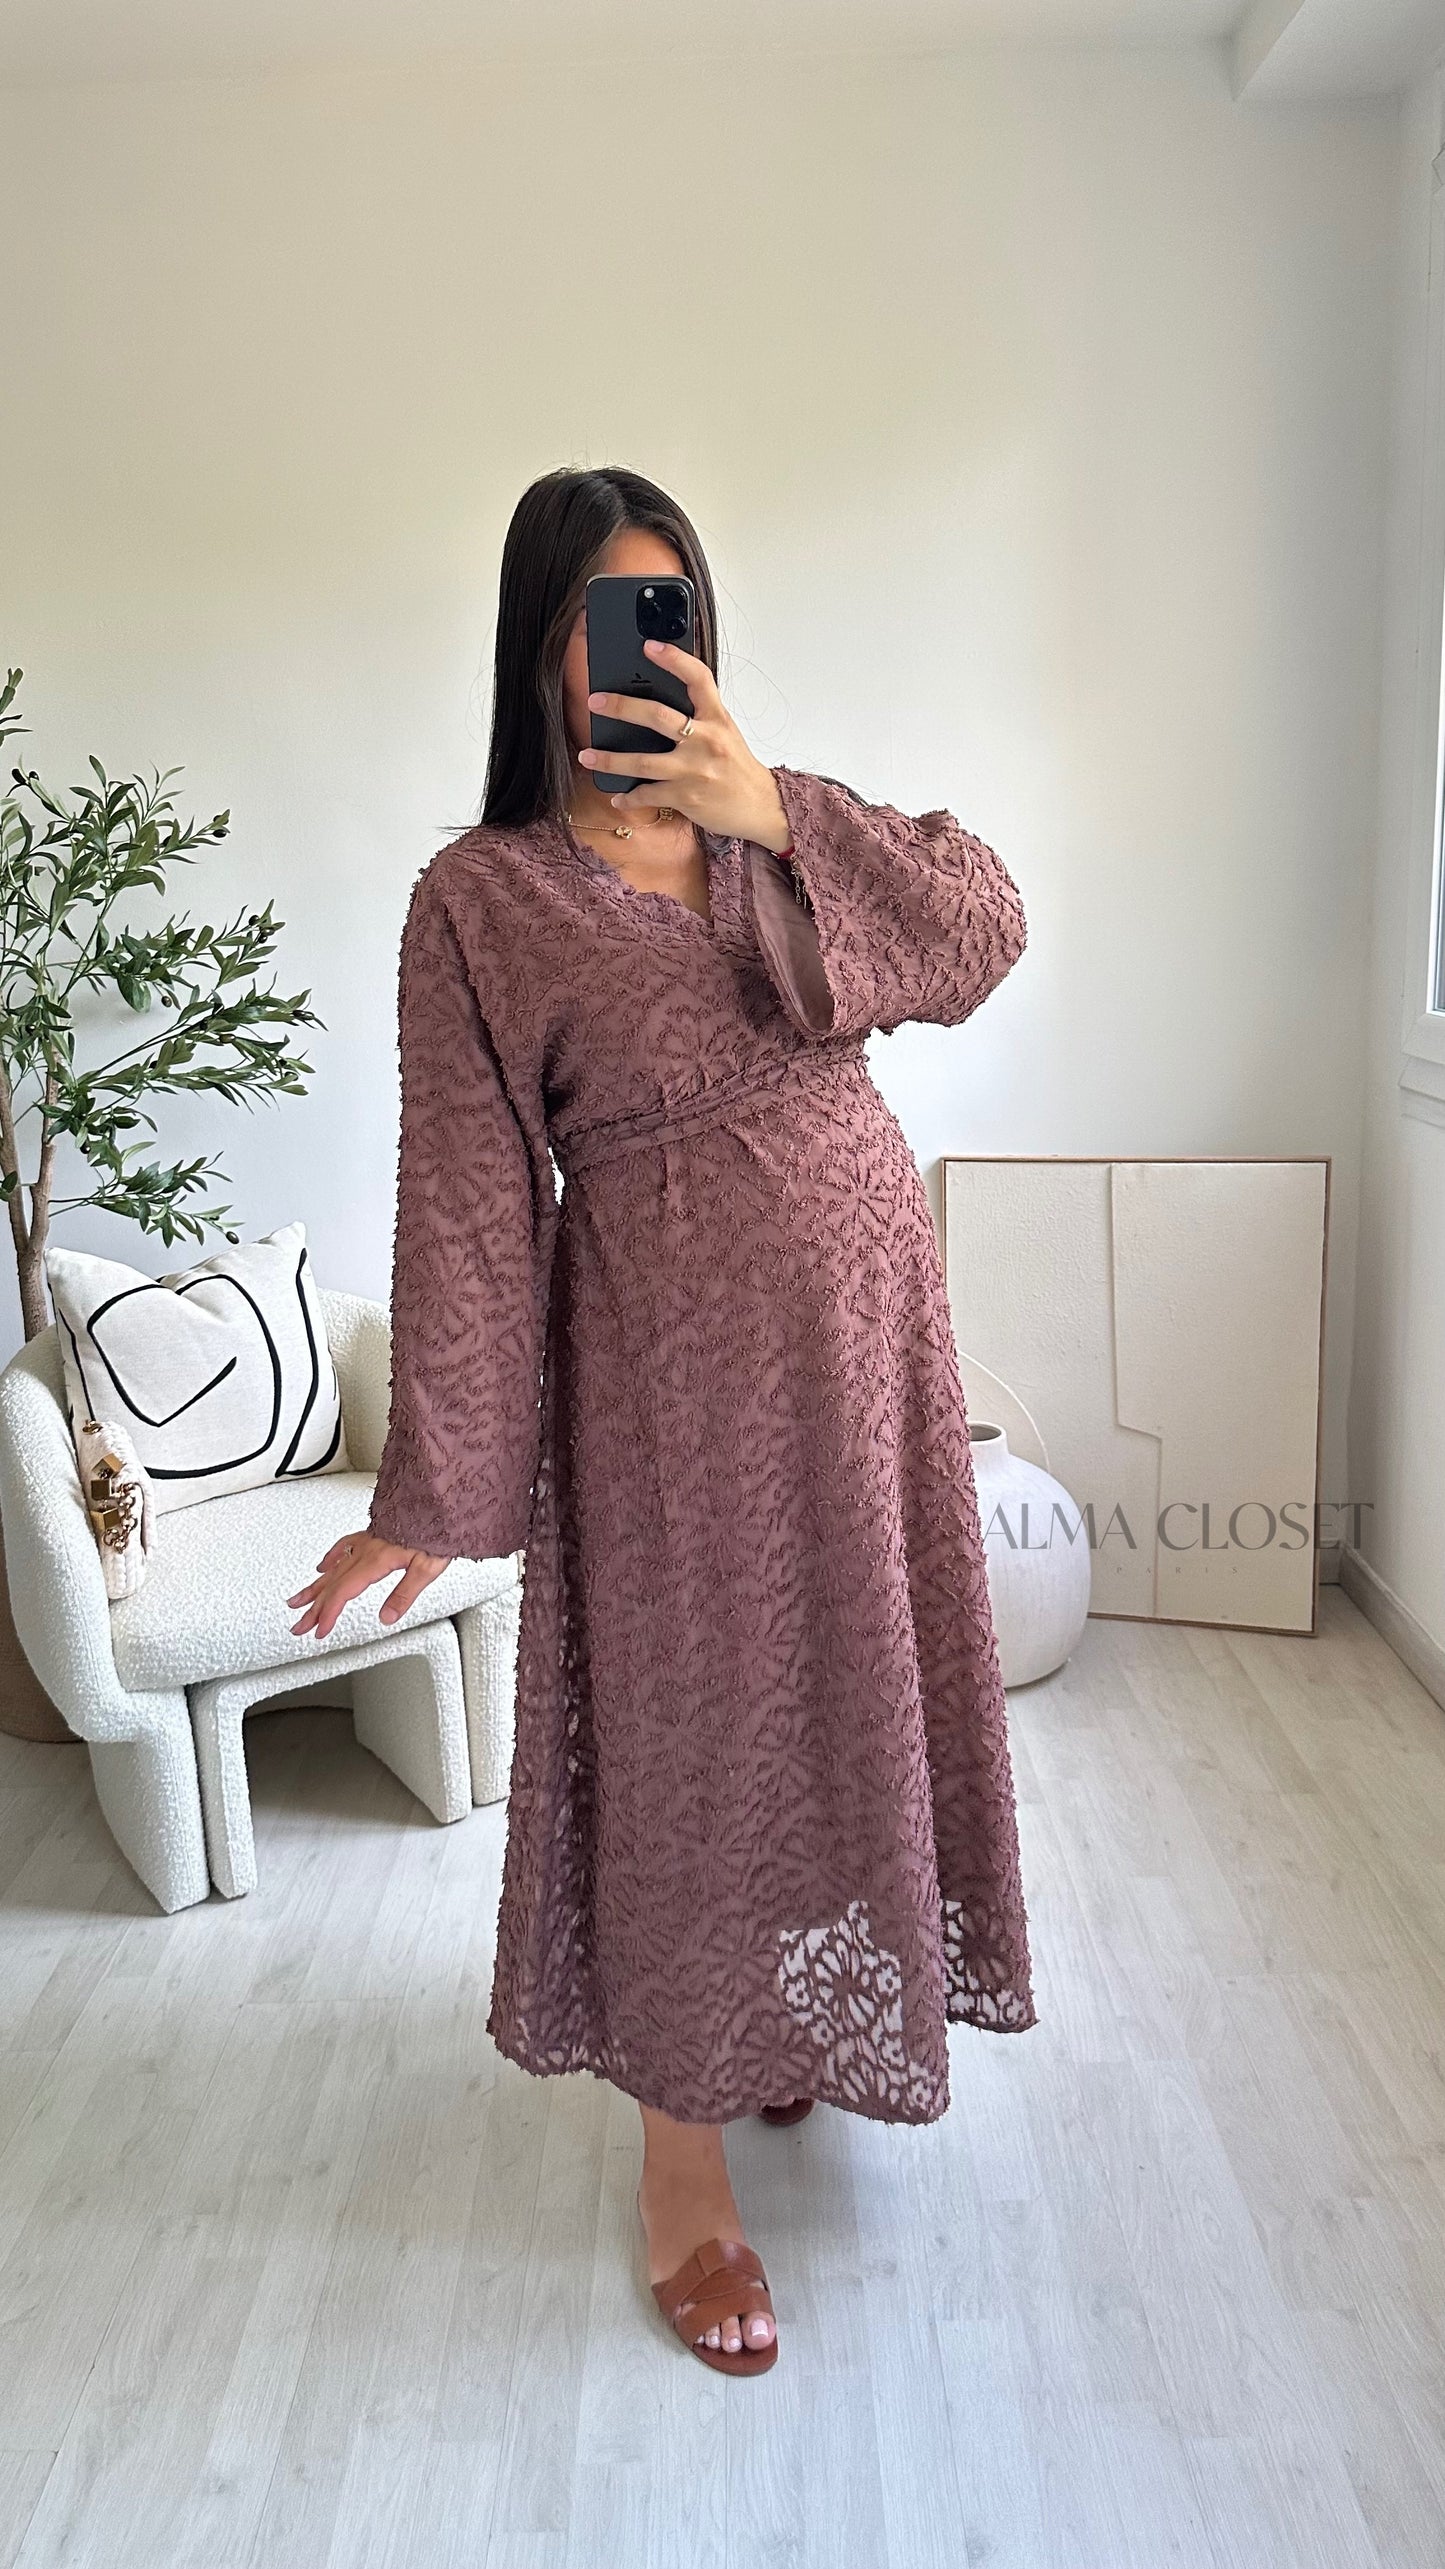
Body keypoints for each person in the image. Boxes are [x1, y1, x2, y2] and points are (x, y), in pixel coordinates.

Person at [286, 465, 1037, 2379]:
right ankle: (680, 2176)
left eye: (670, 607)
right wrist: (432, 1491)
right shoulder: (479, 899)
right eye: (603, 616)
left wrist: (770, 807)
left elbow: (984, 930)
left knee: (842, 1686)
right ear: (541, 648)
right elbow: (466, 1203)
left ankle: (780, 2016)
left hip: (867, 1358)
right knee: (697, 1738)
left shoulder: (780, 819)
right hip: (669, 1389)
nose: (643, 649)